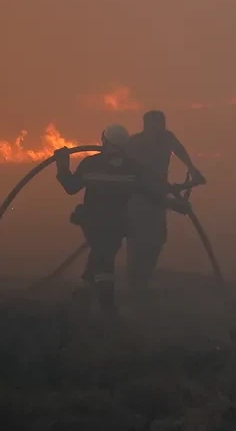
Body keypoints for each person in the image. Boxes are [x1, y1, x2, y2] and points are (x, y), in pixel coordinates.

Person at [56, 124, 189, 315]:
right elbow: (152, 195)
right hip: (116, 224)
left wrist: (62, 166)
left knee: (102, 256)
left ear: (104, 141)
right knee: (105, 258)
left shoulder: (91, 164)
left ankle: (89, 295)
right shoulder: (132, 169)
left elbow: (71, 187)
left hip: (95, 221)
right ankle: (104, 303)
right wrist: (177, 205)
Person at [125, 110, 205, 296]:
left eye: (160, 125)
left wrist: (193, 170)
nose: (157, 129)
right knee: (137, 241)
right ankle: (134, 284)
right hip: (138, 198)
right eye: (153, 125)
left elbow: (180, 151)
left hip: (158, 195)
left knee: (157, 239)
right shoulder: (134, 142)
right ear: (145, 125)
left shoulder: (167, 138)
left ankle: (143, 281)